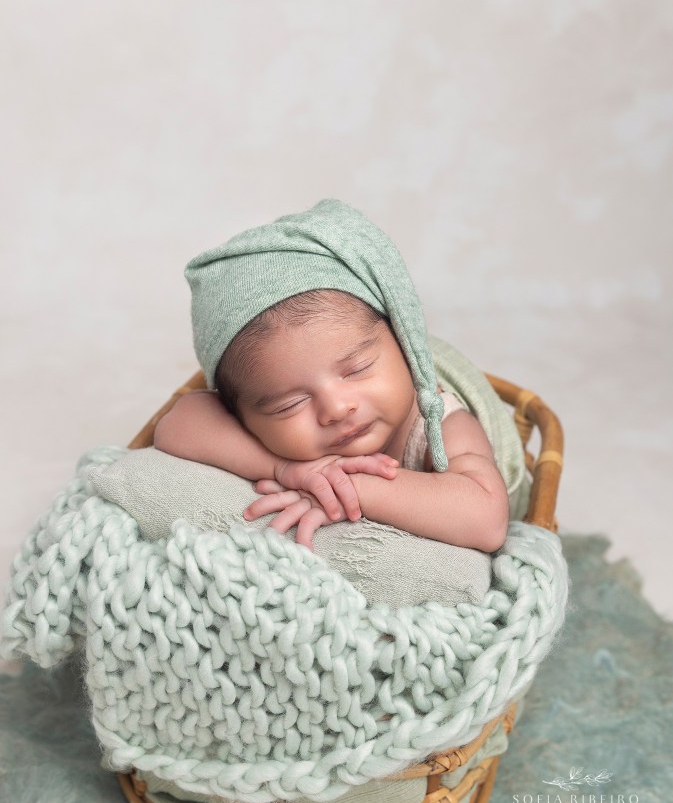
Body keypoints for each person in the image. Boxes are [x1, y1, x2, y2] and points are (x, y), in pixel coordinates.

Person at [154, 200, 509, 553]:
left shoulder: (439, 423)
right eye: (290, 404)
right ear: (241, 413)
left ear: (402, 341)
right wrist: (282, 468)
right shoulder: (269, 431)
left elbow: (486, 520)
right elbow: (176, 424)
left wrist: (349, 487)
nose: (336, 408)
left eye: (357, 369)